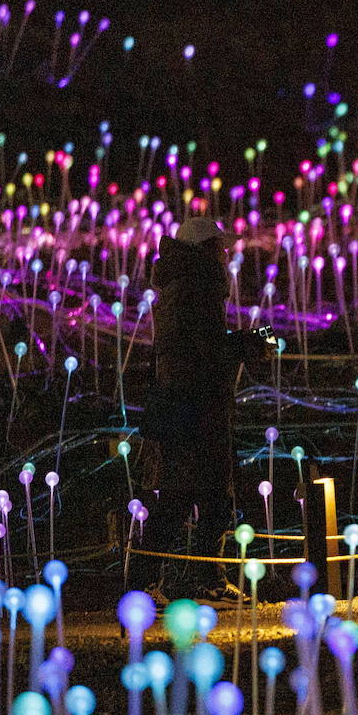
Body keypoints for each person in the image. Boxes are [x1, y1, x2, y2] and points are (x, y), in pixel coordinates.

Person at [136, 216, 271, 600]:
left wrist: (242, 342)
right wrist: (251, 344)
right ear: (205, 250)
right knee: (183, 498)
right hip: (193, 409)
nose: (226, 253)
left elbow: (204, 343)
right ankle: (145, 584)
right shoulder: (197, 288)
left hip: (192, 405)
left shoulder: (188, 285)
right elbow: (207, 349)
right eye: (220, 246)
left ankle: (203, 579)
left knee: (210, 497)